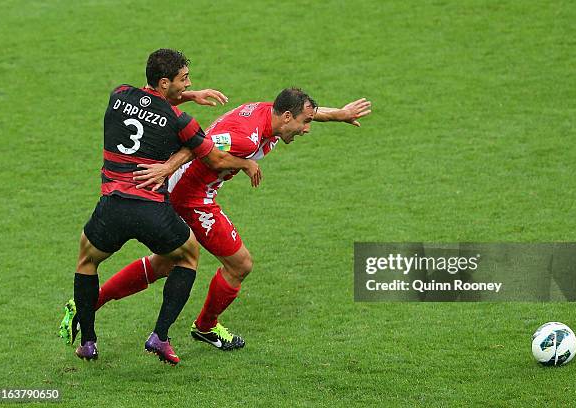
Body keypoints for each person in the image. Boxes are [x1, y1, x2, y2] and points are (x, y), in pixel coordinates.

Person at [61, 87, 370, 352]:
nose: (306, 129)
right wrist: (180, 167)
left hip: (191, 191)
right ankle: (205, 327)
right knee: (240, 265)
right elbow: (201, 145)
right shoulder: (246, 138)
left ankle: (86, 303)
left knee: (167, 263)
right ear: (286, 117)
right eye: (304, 123)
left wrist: (340, 114)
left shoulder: (270, 114)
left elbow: (308, 112)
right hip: (192, 197)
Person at [67, 48, 261, 365]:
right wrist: (245, 163)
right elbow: (211, 157)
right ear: (164, 82)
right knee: (187, 256)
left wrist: (189, 94)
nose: (189, 84)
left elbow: (147, 105)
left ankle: (88, 342)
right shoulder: (180, 121)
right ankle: (160, 335)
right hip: (151, 210)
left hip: (112, 206)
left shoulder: (118, 94)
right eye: (184, 80)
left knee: (87, 261)